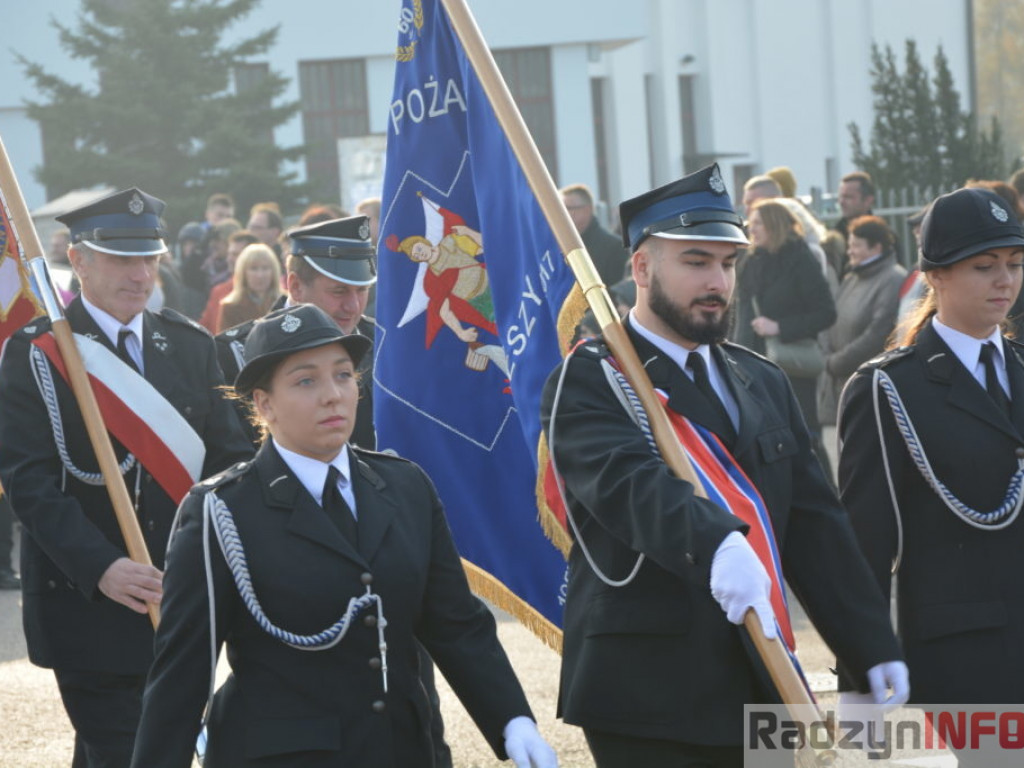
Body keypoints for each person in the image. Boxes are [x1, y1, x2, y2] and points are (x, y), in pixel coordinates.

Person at [541, 164, 906, 768]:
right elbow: (627, 485)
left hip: (759, 682)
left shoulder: (759, 378)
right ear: (641, 268)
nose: (717, 281)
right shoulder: (591, 376)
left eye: (728, 263)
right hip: (648, 694)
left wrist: (866, 641)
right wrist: (716, 542)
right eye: (695, 261)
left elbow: (815, 521)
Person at [130, 303, 558, 768]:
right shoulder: (223, 510)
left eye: (344, 375)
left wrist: (513, 720)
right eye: (305, 381)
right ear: (263, 404)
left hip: (402, 751)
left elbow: (456, 624)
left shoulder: (405, 487)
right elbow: (183, 671)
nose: (333, 395)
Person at [0, 187, 253, 768]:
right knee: (136, 751)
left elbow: (227, 464)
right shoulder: (40, 352)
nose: (140, 274)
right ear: (79, 260)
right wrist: (102, 567)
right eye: (121, 258)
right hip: (85, 602)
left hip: (179, 598)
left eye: (149, 258)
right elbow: (28, 481)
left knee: (118, 752)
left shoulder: (189, 346)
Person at [837, 187, 1024, 765]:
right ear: (934, 275)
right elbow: (865, 542)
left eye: (1015, 265)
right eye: (983, 266)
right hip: (965, 653)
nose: (1005, 282)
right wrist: (857, 676)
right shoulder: (888, 388)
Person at [217, 216, 378, 450]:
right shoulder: (233, 353)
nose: (353, 306)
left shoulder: (383, 342)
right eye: (339, 291)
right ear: (295, 286)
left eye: (362, 290)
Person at [734, 198, 836, 474]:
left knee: (804, 435)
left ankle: (825, 492)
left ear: (774, 225)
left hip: (791, 365)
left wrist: (780, 327)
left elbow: (826, 313)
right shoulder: (750, 261)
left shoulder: (801, 259)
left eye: (757, 223)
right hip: (751, 359)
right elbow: (741, 313)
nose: (750, 228)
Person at [817, 215, 905, 431]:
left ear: (876, 247)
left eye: (855, 245)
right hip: (838, 381)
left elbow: (878, 333)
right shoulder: (851, 278)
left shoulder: (893, 279)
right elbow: (830, 319)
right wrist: (827, 356)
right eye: (849, 245)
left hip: (867, 384)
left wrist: (836, 362)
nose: (850, 251)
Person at [561, 183, 630, 286]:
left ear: (587, 210)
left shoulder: (614, 247)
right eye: (561, 209)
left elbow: (618, 292)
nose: (563, 213)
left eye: (568, 208)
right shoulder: (560, 246)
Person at [215, 243, 283, 333]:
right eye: (254, 269)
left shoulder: (286, 303)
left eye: (265, 268)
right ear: (243, 273)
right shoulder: (231, 307)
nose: (260, 275)